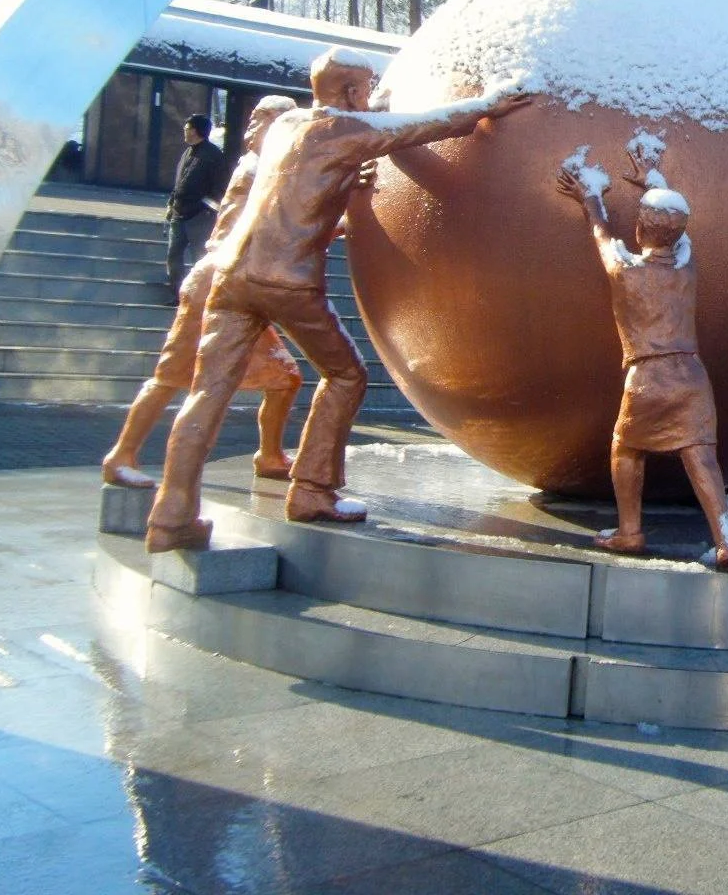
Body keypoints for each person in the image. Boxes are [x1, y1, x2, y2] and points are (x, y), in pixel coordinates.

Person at [145, 50, 528, 552]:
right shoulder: (346, 131)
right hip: (288, 281)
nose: (370, 98)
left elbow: (301, 193)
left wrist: (348, 182)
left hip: (232, 277)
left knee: (207, 393)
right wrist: (492, 104)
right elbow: (427, 127)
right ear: (350, 93)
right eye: (366, 89)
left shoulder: (285, 126)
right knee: (346, 375)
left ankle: (171, 515)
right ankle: (312, 490)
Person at [556, 146, 728, 573]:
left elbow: (602, 234)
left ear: (639, 229)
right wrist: (653, 179)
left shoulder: (625, 272)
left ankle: (630, 531)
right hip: (693, 376)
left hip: (647, 377)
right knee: (702, 456)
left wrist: (590, 195)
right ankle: (727, 536)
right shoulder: (686, 267)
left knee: (625, 448)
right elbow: (679, 235)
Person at [102, 95, 303, 490]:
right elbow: (278, 227)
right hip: (218, 282)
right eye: (283, 126)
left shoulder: (268, 167)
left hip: (237, 283)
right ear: (261, 128)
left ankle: (269, 455)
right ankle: (121, 454)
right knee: (171, 375)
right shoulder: (262, 169)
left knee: (284, 377)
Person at [165, 113, 227, 304]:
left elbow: (219, 188)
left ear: (196, 130)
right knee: (173, 256)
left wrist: (206, 209)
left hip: (199, 217)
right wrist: (170, 204)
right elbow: (180, 182)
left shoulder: (213, 155)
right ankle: (178, 294)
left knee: (200, 259)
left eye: (187, 128)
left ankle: (201, 299)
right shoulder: (187, 152)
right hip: (179, 213)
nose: (184, 131)